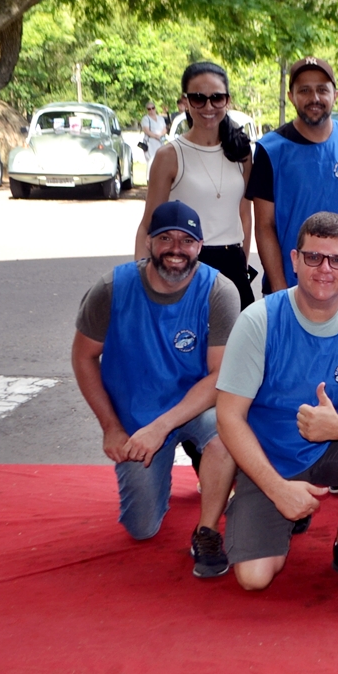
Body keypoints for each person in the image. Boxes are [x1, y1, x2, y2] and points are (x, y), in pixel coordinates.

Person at [214, 212, 338, 593]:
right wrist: (277, 489)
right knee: (254, 578)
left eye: (336, 260)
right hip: (271, 456)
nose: (324, 269)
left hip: (336, 447)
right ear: (295, 260)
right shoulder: (258, 320)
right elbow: (228, 417)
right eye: (314, 257)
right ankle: (272, 503)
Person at [71, 200, 240, 577]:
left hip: (195, 407)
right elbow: (83, 357)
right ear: (148, 241)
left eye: (187, 241)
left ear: (200, 246)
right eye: (166, 239)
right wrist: (111, 428)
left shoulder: (219, 291)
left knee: (226, 431)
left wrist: (162, 427)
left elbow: (220, 377)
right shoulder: (112, 288)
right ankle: (176, 481)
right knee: (142, 528)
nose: (176, 249)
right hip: (138, 417)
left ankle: (207, 530)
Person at [135, 63, 255, 309]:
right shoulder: (170, 155)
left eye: (217, 98)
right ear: (186, 102)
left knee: (236, 334)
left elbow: (244, 214)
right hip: (184, 264)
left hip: (232, 266)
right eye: (198, 98)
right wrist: (141, 283)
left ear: (227, 100)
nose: (208, 107)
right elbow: (148, 224)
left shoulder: (241, 152)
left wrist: (242, 266)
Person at [248, 56, 338, 293]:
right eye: (304, 90)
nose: (314, 98)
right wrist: (279, 289)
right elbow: (264, 226)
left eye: (322, 90)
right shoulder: (270, 149)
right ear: (291, 96)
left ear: (335, 95)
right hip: (291, 285)